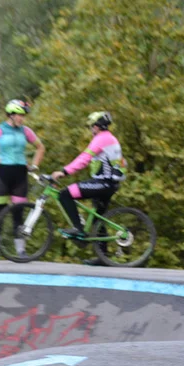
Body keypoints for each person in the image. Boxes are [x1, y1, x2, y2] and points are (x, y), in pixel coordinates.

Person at [51, 111, 126, 266]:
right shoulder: (109, 138)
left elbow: (84, 158)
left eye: (91, 126)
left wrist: (64, 171)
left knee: (65, 194)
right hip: (109, 183)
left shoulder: (101, 139)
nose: (91, 129)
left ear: (96, 126)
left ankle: (78, 229)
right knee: (98, 219)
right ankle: (103, 257)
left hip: (103, 183)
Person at [0, 99, 45, 260]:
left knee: (18, 213)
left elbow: (40, 147)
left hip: (20, 174)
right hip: (3, 173)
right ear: (11, 115)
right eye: (19, 115)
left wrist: (35, 165)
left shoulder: (26, 131)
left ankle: (21, 251)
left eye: (23, 116)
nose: (22, 119)